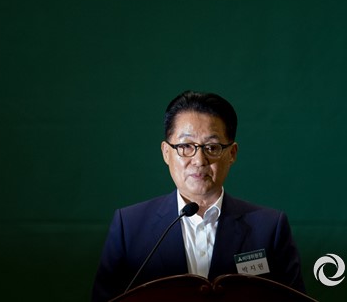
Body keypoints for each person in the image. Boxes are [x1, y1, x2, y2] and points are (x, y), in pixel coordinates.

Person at [91, 90, 305, 301]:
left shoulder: (269, 228)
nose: (199, 160)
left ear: (232, 153)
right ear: (166, 152)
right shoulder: (130, 227)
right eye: (185, 146)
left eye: (212, 147)